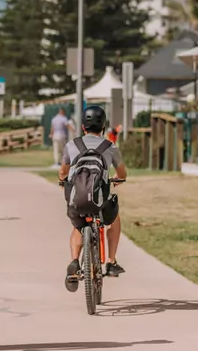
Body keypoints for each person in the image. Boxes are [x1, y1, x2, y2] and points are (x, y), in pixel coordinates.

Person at [59, 105, 128, 289]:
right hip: (100, 201)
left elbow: (63, 171)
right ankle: (111, 262)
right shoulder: (110, 146)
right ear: (103, 127)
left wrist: (62, 181)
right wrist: (120, 179)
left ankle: (74, 261)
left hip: (77, 201)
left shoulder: (72, 145)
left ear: (83, 127)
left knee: (78, 226)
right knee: (114, 219)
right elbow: (121, 172)